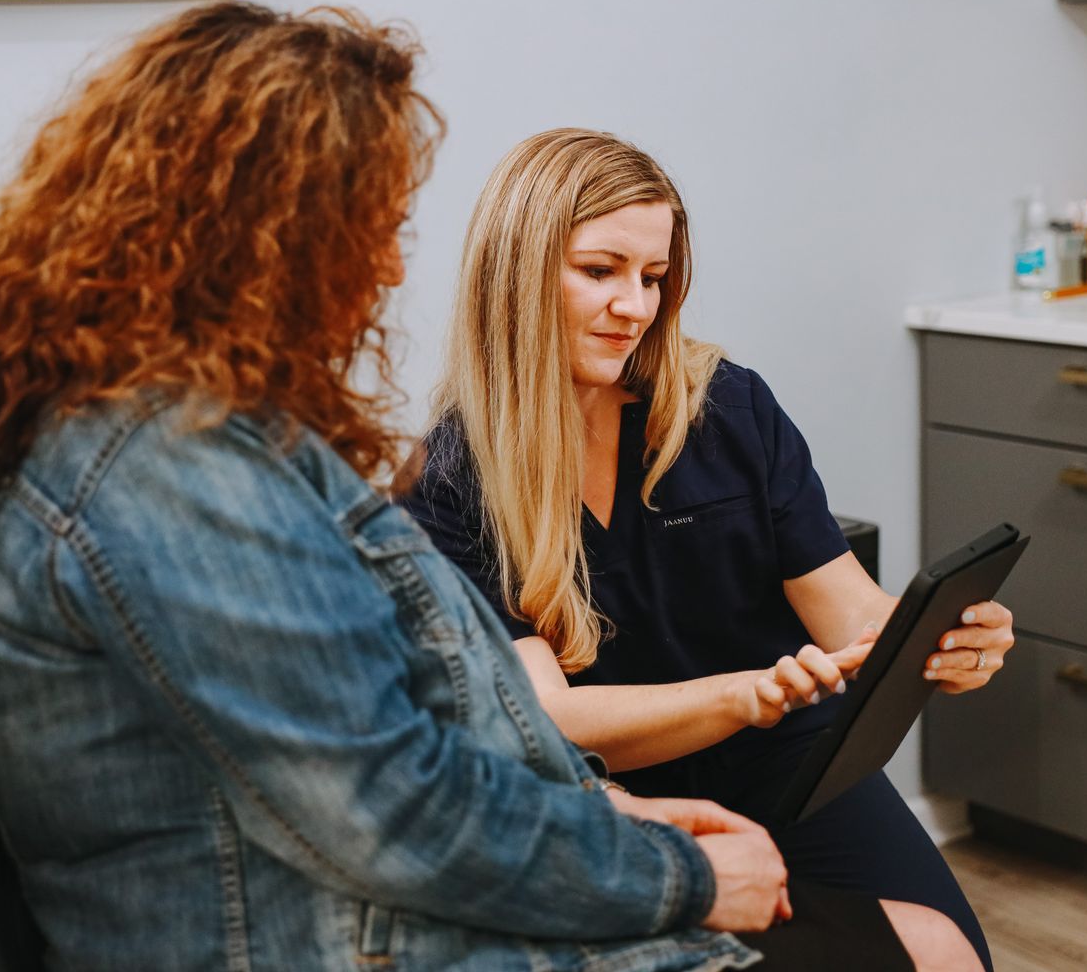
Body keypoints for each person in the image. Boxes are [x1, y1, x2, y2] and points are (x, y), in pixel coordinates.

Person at [0, 1, 970, 972]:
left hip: (435, 866)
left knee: (930, 933)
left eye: (651, 278)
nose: (380, 272)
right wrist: (672, 867)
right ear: (256, 238)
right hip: (327, 929)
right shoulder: (169, 472)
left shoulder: (217, 444)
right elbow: (388, 805)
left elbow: (421, 736)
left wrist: (606, 816)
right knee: (920, 947)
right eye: (362, 231)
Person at [399, 128, 1013, 971]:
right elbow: (550, 718)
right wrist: (745, 694)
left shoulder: (727, 409)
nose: (636, 307)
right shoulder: (450, 481)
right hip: (622, 802)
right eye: (601, 270)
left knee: (951, 956)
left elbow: (852, 619)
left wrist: (935, 641)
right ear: (517, 268)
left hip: (793, 765)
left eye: (653, 277)